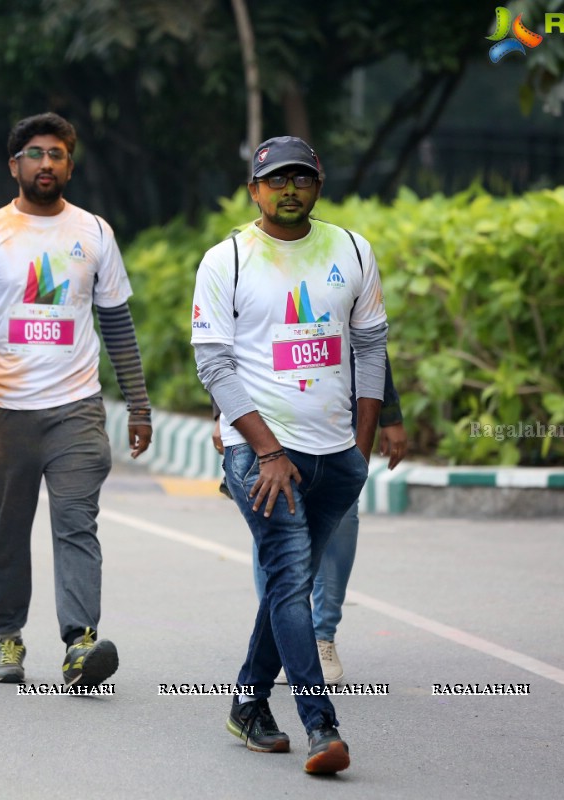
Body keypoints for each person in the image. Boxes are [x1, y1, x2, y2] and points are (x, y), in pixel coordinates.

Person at [192, 136, 387, 775]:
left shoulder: (352, 250)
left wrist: (359, 448)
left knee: (288, 584)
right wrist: (267, 449)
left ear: (318, 185)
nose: (289, 190)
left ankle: (247, 705)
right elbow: (213, 362)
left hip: (335, 456)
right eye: (276, 181)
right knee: (290, 582)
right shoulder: (229, 260)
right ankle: (321, 725)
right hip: (263, 458)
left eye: (301, 178)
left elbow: (368, 348)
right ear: (254, 190)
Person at [0, 112, 152, 687]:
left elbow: (116, 323)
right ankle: (8, 637)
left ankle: (79, 643)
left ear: (70, 164)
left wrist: (137, 404)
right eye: (35, 154)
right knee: (6, 530)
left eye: (57, 154)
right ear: (14, 165)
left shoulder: (94, 232)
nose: (47, 163)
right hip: (1, 407)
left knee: (75, 522)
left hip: (76, 407)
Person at [215, 356, 406, 685]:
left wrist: (389, 414)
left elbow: (368, 340)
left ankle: (321, 637)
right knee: (274, 516)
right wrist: (221, 412)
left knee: (342, 519)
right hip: (268, 413)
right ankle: (280, 636)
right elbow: (223, 347)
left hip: (336, 415)